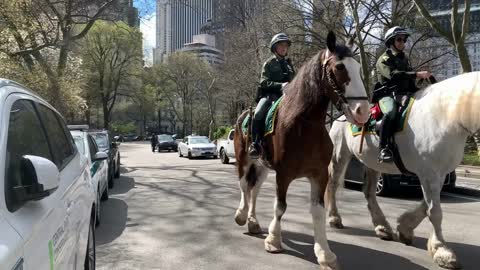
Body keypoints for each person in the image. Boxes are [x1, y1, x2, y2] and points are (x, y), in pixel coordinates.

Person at [376, 26, 431, 163]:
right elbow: (393, 76)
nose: (402, 42)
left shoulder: (405, 59)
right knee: (390, 112)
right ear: (391, 42)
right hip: (387, 95)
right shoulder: (383, 59)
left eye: (404, 40)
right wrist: (417, 73)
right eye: (399, 39)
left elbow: (409, 81)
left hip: (404, 94)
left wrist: (421, 85)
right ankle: (383, 148)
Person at [249, 33, 295, 158]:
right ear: (275, 47)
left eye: (286, 46)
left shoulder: (289, 65)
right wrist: (280, 85)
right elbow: (263, 82)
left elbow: (295, 81)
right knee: (258, 113)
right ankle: (255, 143)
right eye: (281, 45)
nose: (284, 48)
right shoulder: (268, 63)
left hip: (289, 96)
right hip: (271, 96)